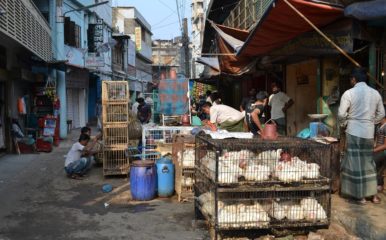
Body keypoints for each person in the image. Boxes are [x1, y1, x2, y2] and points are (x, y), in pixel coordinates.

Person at [338, 68, 385, 204]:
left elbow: (341, 114)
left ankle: (360, 197)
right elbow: (382, 114)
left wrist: (345, 123)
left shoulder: (349, 93)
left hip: (353, 131)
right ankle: (372, 195)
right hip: (369, 133)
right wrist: (371, 122)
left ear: (354, 79)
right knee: (368, 163)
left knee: (355, 163)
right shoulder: (375, 93)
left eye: (351, 79)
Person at [374, 116, 386, 192]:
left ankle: (379, 184)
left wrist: (374, 150)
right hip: (379, 150)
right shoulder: (379, 126)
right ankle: (378, 183)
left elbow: (385, 145)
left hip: (384, 151)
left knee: (372, 161)